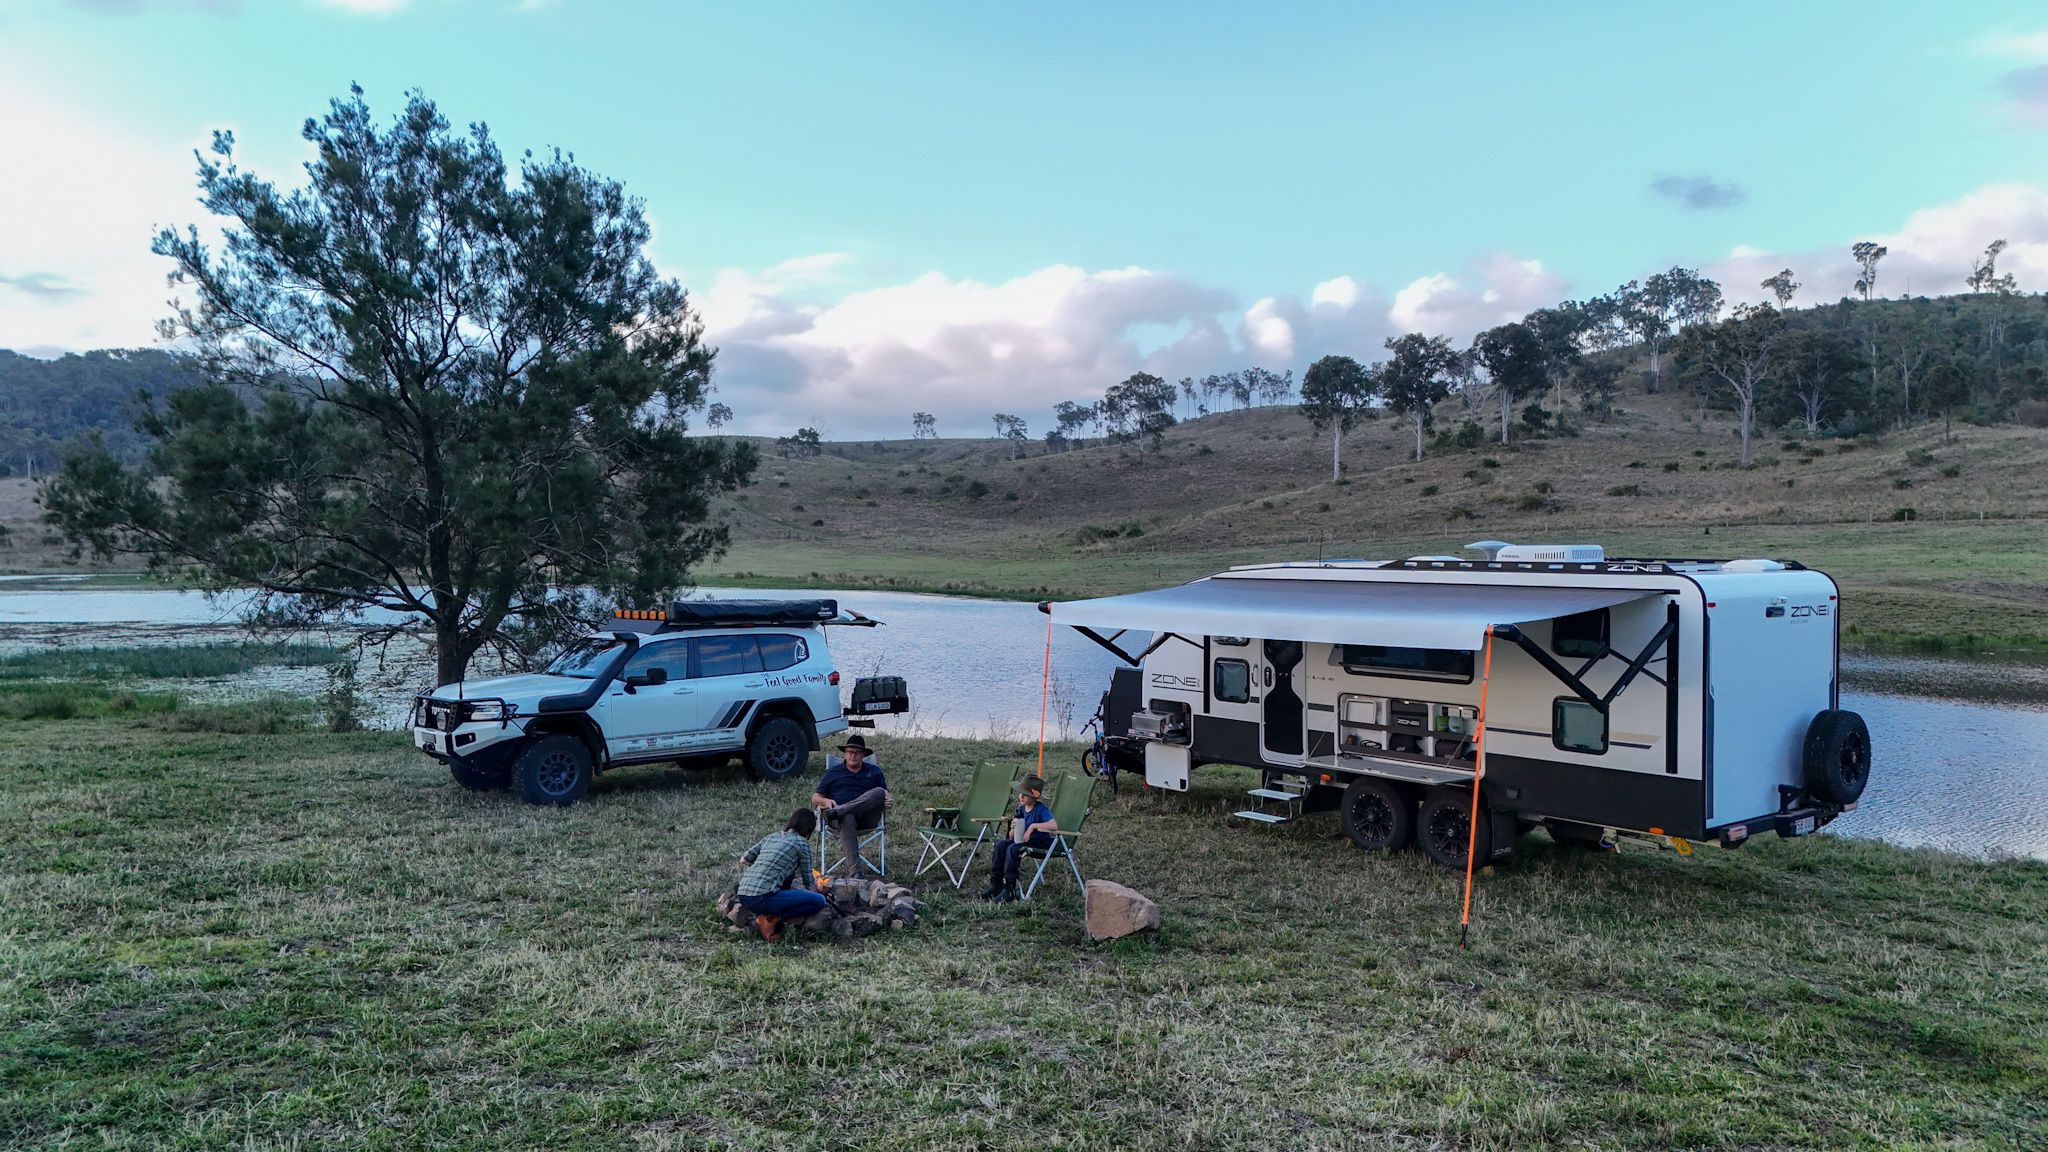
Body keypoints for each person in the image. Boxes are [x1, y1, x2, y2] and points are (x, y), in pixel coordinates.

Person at [737, 808, 827, 943]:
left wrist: (766, 869)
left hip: (743, 894)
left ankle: (764, 917)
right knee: (819, 901)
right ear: (809, 828)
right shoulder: (802, 844)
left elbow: (744, 859)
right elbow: (809, 881)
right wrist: (820, 893)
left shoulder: (772, 836)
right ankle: (769, 919)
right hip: (763, 897)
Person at [811, 734, 891, 876]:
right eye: (849, 752)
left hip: (866, 818)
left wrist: (888, 798)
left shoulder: (874, 771)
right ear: (845, 753)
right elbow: (815, 797)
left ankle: (840, 810)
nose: (852, 756)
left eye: (857, 753)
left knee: (878, 791)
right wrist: (825, 801)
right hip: (839, 820)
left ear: (863, 755)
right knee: (847, 817)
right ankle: (856, 873)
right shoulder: (833, 772)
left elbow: (884, 793)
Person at [980, 776, 1056, 903]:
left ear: (1035, 797)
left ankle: (1010, 890)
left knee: (1013, 849)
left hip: (1040, 843)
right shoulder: (1020, 809)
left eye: (1025, 795)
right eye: (1020, 793)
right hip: (1023, 841)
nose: (1021, 797)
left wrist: (1032, 826)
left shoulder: (1041, 809)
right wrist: (1013, 829)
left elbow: (1054, 825)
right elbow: (1011, 837)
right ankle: (996, 884)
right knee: (1001, 845)